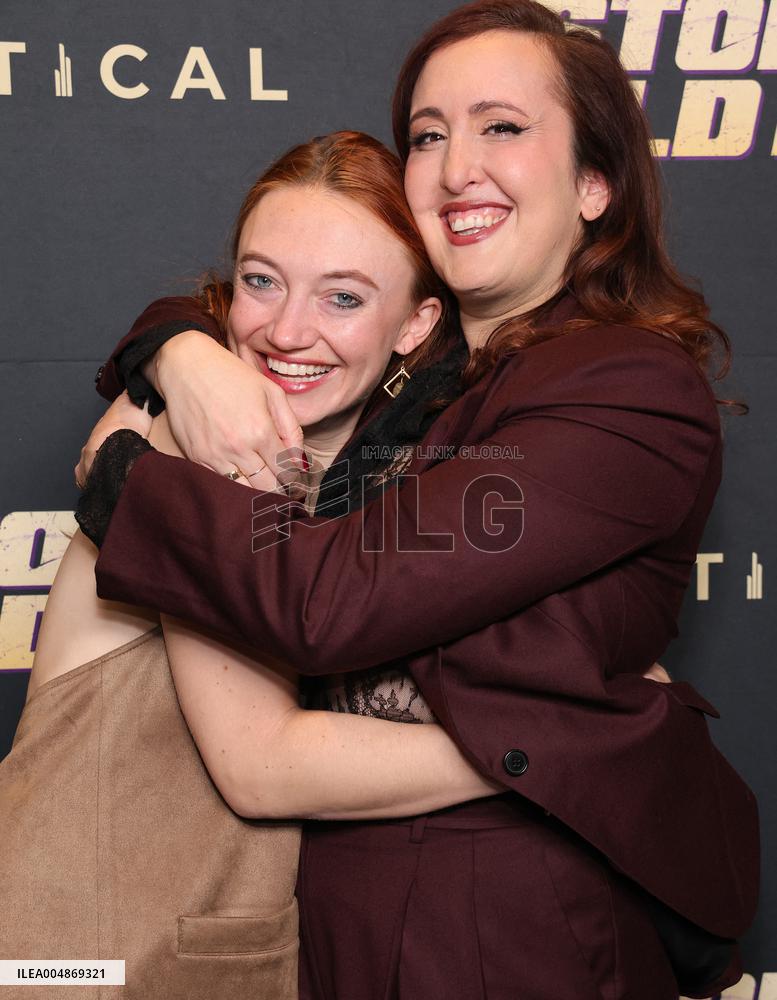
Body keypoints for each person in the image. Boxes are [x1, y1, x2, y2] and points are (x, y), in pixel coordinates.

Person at [76, 2, 759, 998]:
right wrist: (183, 355)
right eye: (428, 134)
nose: (453, 164)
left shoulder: (626, 388)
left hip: (499, 927)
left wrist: (124, 476)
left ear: (596, 183)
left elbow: (333, 599)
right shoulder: (429, 370)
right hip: (325, 915)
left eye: (502, 127)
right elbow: (258, 306)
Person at [0, 131, 512, 1000]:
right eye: (261, 280)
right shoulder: (200, 440)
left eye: (342, 297)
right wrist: (569, 746)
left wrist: (174, 341)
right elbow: (260, 764)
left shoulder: (379, 469)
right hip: (72, 956)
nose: (283, 330)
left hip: (208, 950)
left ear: (417, 323)